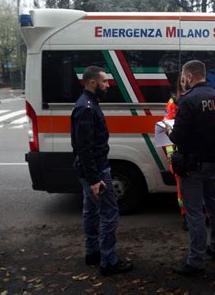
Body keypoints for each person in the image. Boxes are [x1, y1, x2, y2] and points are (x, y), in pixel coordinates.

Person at [71, 66, 133, 276]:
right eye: (104, 81)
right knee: (109, 213)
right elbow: (85, 147)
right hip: (96, 170)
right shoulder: (86, 108)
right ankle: (109, 261)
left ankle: (93, 253)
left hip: (89, 169)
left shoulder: (88, 104)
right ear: (92, 83)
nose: (108, 85)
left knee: (90, 211)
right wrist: (95, 179)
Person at [166, 60, 215, 276]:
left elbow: (178, 134)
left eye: (184, 77)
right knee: (214, 204)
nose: (183, 81)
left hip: (192, 164)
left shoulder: (187, 100)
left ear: (190, 76)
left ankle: (196, 260)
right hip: (214, 161)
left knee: (194, 212)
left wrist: (168, 130)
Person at [162, 74, 189, 231]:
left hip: (194, 151)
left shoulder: (194, 99)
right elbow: (166, 129)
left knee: (201, 188)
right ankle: (185, 215)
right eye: (183, 81)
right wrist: (171, 156)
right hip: (179, 154)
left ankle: (204, 215)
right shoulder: (173, 103)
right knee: (183, 190)